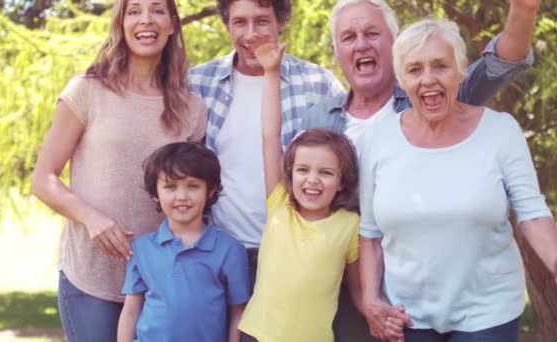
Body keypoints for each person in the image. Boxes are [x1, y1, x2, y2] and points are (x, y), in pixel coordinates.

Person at [300, 1, 542, 340]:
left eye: (372, 33)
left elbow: (503, 60)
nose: (361, 44)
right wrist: (365, 299)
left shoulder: (441, 94)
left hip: (461, 304)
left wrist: (524, 10)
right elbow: (300, 208)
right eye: (349, 36)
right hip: (363, 293)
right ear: (335, 49)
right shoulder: (320, 121)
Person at [358, 18, 557, 342]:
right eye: (414, 69)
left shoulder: (500, 130)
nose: (428, 80)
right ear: (401, 79)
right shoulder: (377, 139)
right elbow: (369, 234)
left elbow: (533, 213)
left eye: (440, 66)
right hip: (406, 313)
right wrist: (370, 299)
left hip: (488, 308)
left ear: (461, 70)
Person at [31, 0, 207, 339]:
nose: (146, 20)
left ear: (172, 24)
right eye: (135, 10)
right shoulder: (86, 90)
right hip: (92, 278)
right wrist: (92, 218)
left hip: (162, 283)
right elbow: (43, 178)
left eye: (157, 10)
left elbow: (196, 196)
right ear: (121, 22)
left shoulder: (192, 108)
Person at [235, 42, 406, 342]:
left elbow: (358, 293)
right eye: (303, 170)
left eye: (325, 173)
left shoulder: (350, 226)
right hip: (258, 336)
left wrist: (377, 313)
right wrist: (271, 72)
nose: (312, 180)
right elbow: (269, 135)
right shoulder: (280, 204)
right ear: (290, 174)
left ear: (341, 181)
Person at [188, 0, 344, 285]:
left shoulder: (319, 85)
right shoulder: (198, 83)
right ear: (227, 25)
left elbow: (342, 172)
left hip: (295, 253)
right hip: (217, 252)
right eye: (239, 22)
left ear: (280, 22)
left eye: (261, 21)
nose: (250, 34)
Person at [117, 142, 251, 342]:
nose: (182, 196)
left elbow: (238, 312)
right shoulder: (141, 249)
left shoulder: (230, 250)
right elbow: (131, 310)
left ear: (211, 191)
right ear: (156, 194)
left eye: (193, 186)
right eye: (170, 187)